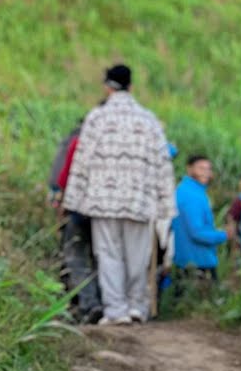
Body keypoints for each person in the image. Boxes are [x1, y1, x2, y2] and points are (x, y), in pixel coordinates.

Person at [62, 64, 176, 325]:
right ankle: (137, 306)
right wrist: (165, 205)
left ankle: (116, 310)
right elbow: (163, 164)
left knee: (109, 254)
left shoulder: (96, 118)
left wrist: (74, 200)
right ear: (131, 87)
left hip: (103, 200)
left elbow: (82, 160)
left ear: (107, 86)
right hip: (139, 200)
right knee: (138, 256)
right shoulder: (149, 120)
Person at [50, 118, 102, 323]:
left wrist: (59, 198)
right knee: (103, 256)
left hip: (77, 207)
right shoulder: (112, 139)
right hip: (107, 211)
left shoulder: (75, 140)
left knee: (76, 255)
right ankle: (106, 304)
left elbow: (61, 175)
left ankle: (89, 303)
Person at [172, 155, 229, 283]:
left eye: (208, 169)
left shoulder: (188, 190)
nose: (206, 173)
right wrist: (224, 235)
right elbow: (197, 233)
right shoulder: (192, 195)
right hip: (198, 261)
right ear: (189, 169)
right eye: (201, 168)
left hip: (187, 260)